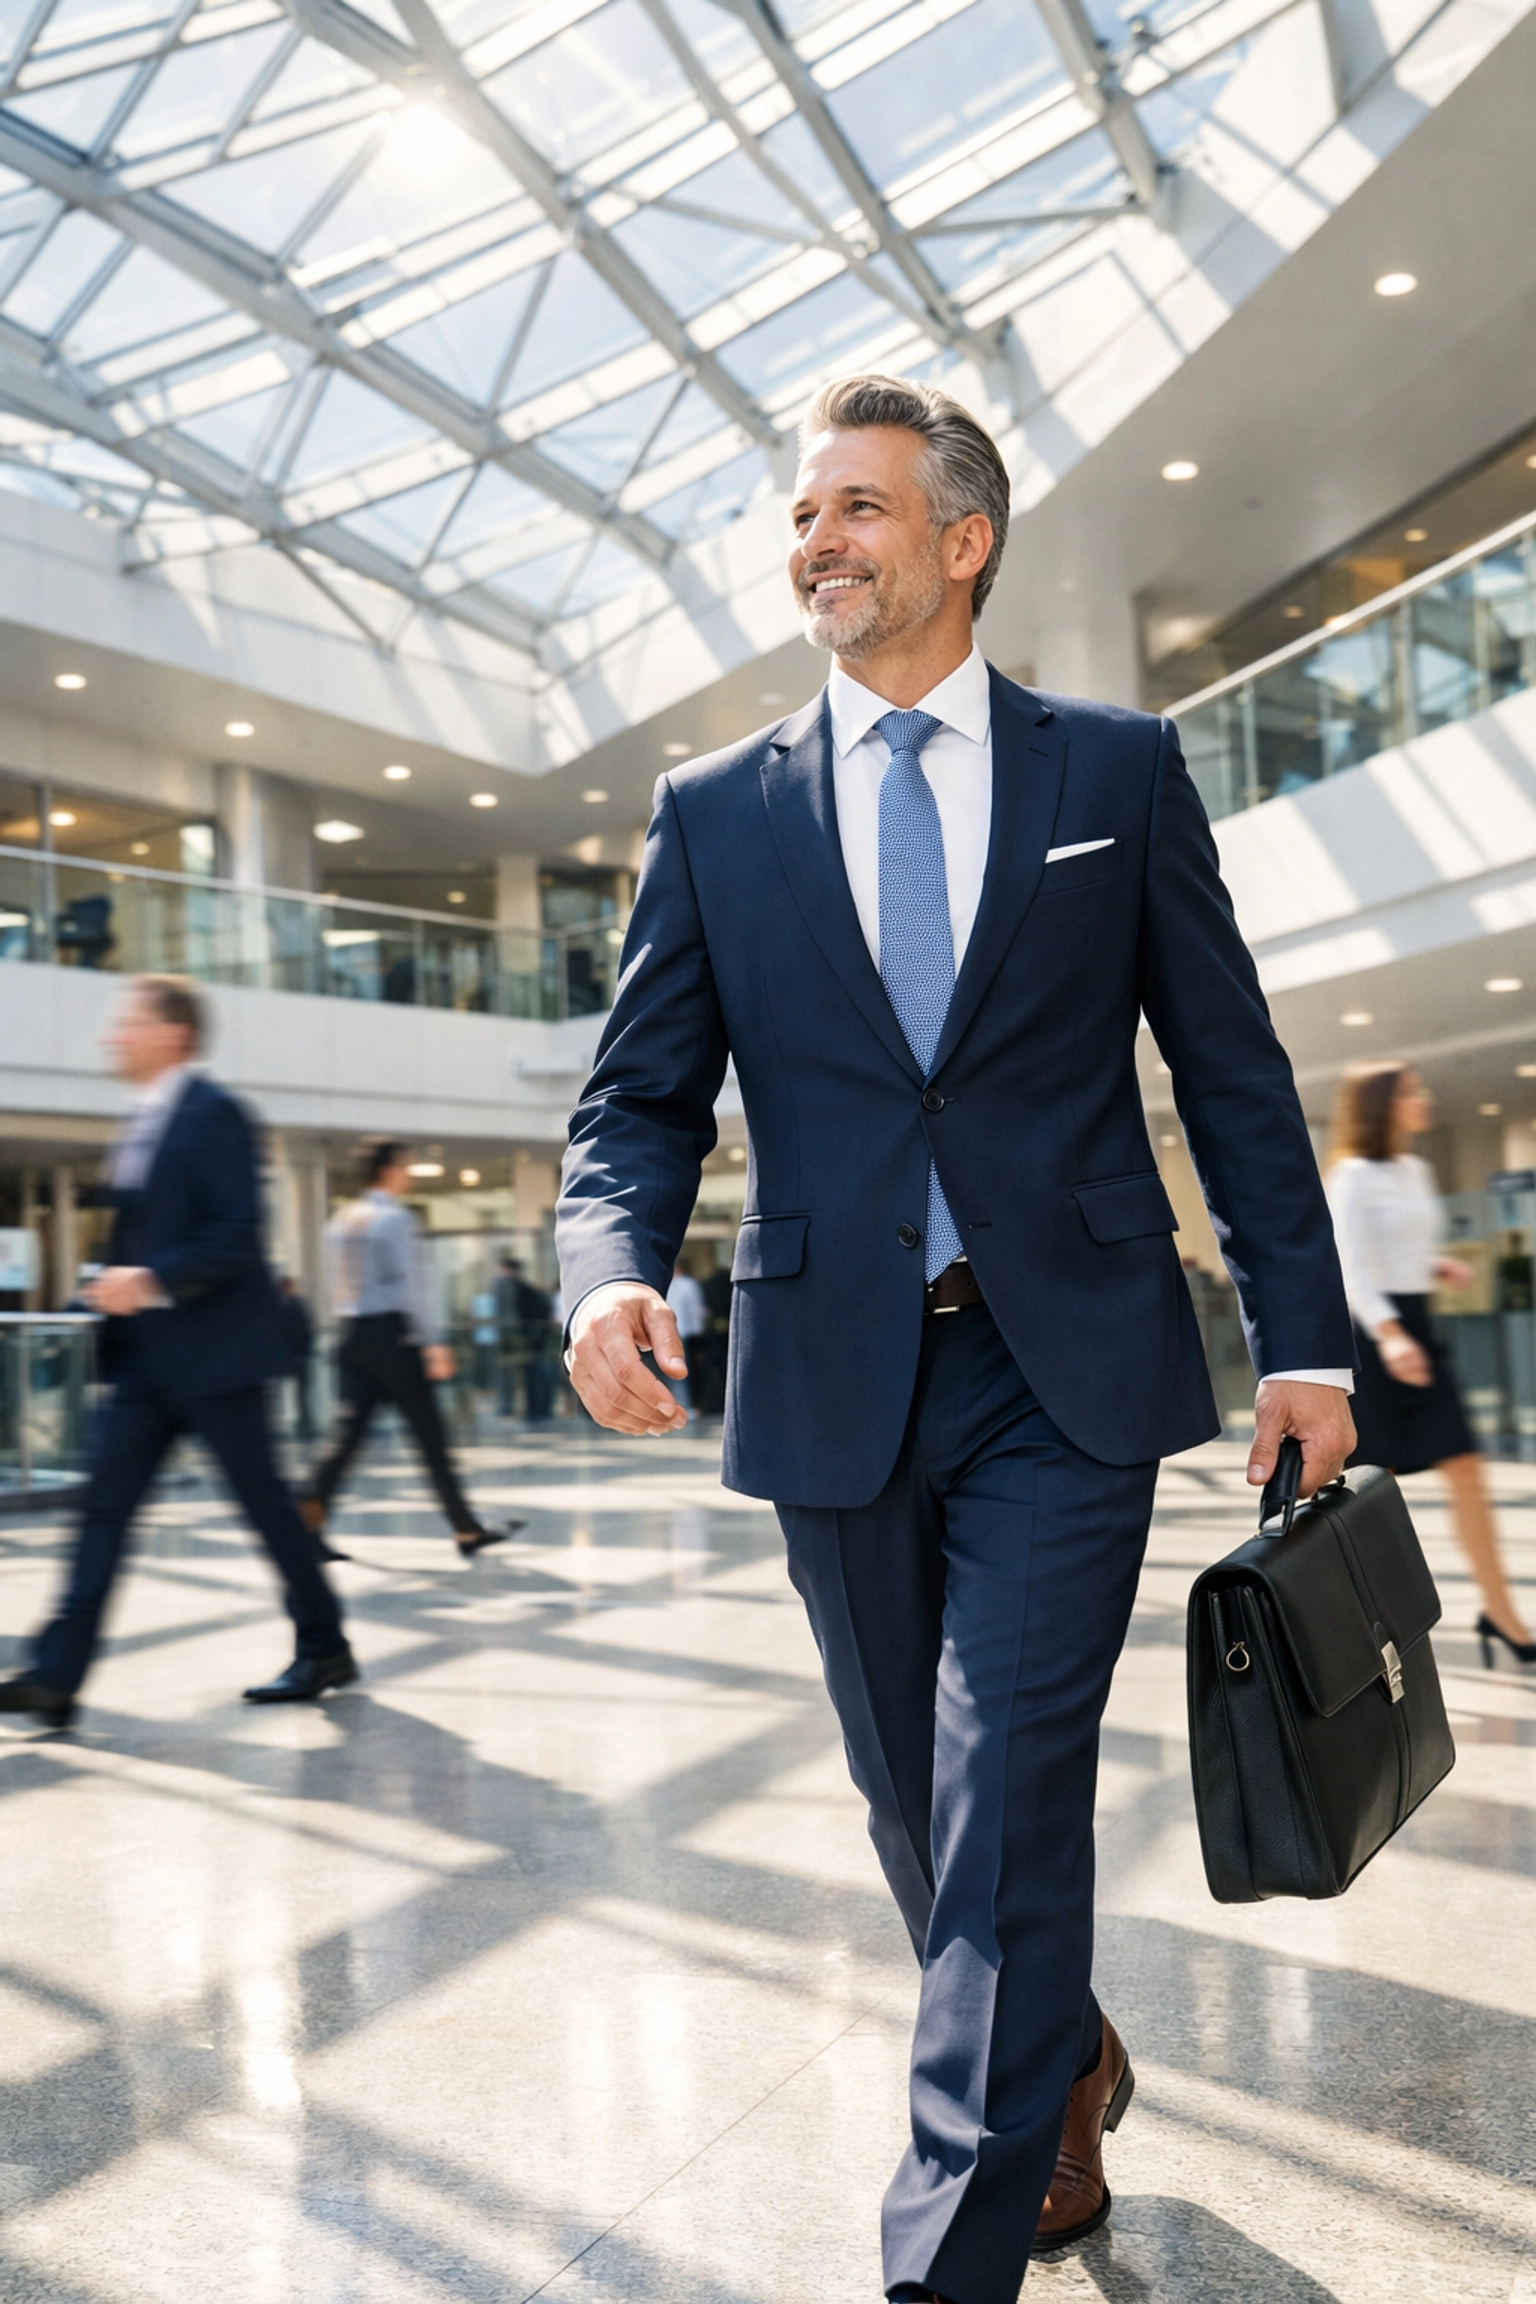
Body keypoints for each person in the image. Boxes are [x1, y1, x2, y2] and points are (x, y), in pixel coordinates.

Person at [557, 374, 1357, 2304]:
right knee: (908, 1793)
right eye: (801, 514)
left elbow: (1232, 1074)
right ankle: (1056, 2048)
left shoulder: (1114, 773)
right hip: (831, 1360)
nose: (814, 541)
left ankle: (947, 2252)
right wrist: (607, 1267)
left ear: (962, 536)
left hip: (1059, 1361)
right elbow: (638, 1095)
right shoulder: (717, 809)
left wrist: (1307, 1340)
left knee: (1005, 1780)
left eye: (854, 505)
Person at [0, 976, 354, 1726]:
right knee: (103, 1509)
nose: (113, 1036)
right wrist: (82, 1310)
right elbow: (129, 1248)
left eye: (128, 1023)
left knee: (265, 1508)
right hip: (145, 1365)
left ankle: (325, 1644)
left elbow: (237, 1234)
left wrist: (152, 1279)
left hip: (217, 1360)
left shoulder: (213, 1114)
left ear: (173, 1034)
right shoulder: (141, 1121)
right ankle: (58, 1676)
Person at [1327, 1060, 1534, 1665]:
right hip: (1374, 1339)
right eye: (1411, 1092)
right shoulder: (1352, 1176)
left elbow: (1400, 1251)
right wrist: (1392, 1335)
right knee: (1370, 1489)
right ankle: (1366, 1630)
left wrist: (1435, 1266)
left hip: (1418, 1328)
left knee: (1466, 1467)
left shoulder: (1415, 1170)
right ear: (1382, 1105)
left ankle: (1500, 1612)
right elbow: (1349, 1269)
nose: (1423, 1100)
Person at [302, 1141, 521, 1557]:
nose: (408, 1175)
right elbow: (411, 1286)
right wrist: (434, 1340)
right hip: (392, 1338)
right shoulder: (396, 1219)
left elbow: (336, 1286)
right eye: (404, 1167)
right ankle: (466, 1530)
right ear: (387, 1170)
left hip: (352, 1335)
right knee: (430, 1440)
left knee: (345, 1441)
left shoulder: (341, 1220)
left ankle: (305, 1526)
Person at [276, 1274, 316, 1444]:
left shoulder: (279, 1306)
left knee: (291, 1393)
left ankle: (298, 1425)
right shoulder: (298, 1304)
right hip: (300, 1356)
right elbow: (308, 1328)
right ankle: (305, 1426)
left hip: (288, 1357)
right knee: (303, 1394)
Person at [665, 1260, 707, 1419]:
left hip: (671, 1332)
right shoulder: (687, 1284)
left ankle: (678, 1407)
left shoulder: (672, 1284)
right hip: (682, 1332)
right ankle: (684, 1407)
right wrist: (698, 1331)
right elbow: (697, 1310)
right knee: (680, 1372)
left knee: (673, 1372)